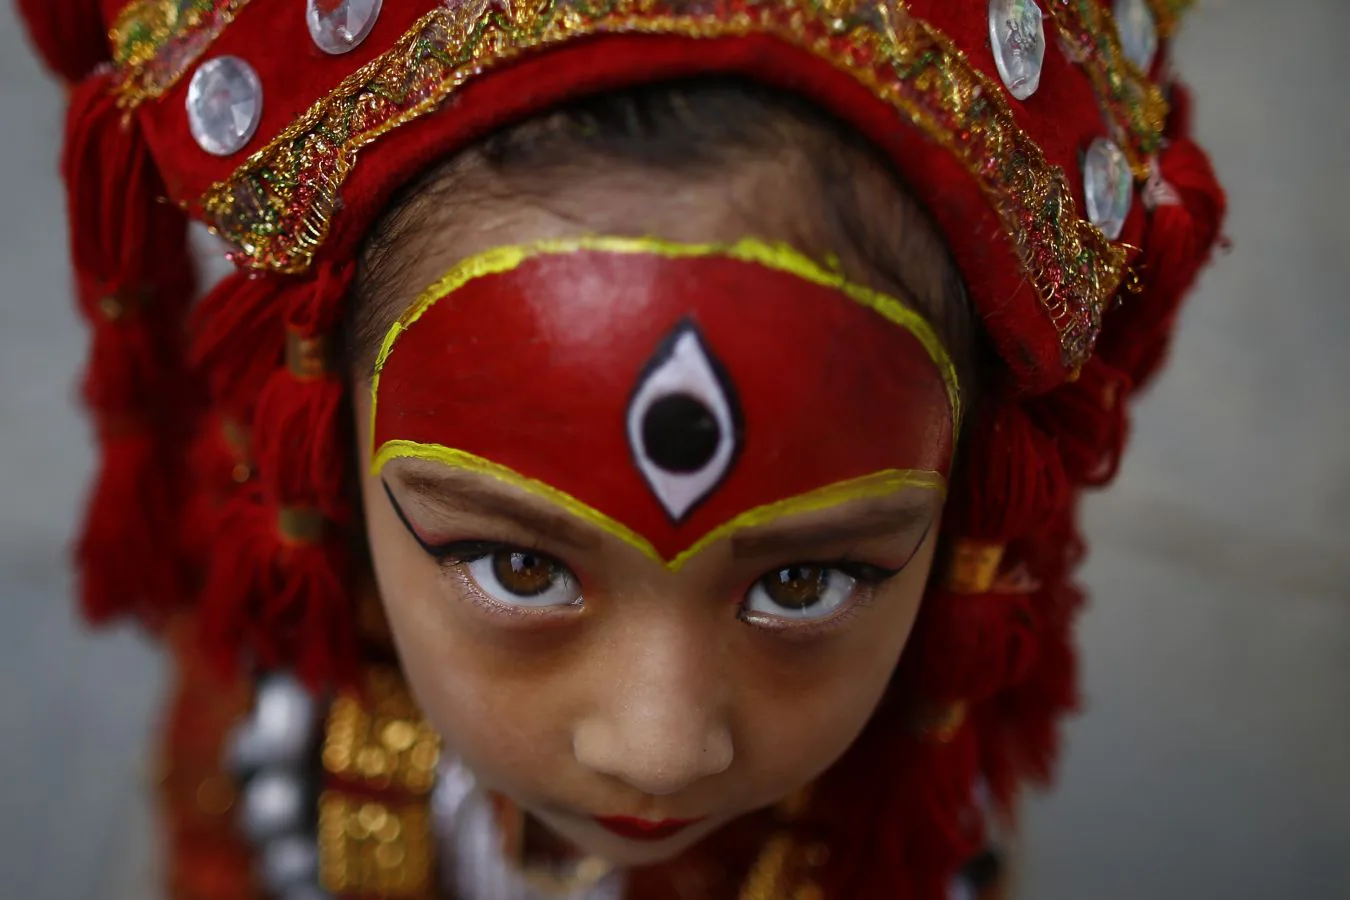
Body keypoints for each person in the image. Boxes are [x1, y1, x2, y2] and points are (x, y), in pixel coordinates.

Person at [16, 1, 1226, 898]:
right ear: (322, 437)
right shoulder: (263, 740)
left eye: (804, 583)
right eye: (519, 568)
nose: (659, 745)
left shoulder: (906, 831)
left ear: (972, 486)